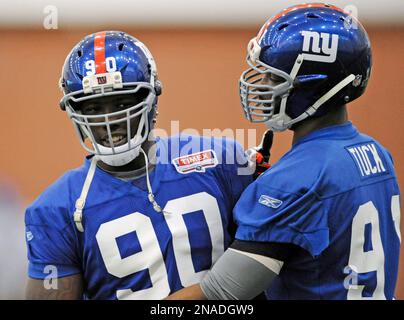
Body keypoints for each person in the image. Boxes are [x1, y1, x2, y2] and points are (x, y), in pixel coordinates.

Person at [167, 3, 401, 300]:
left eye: (275, 78)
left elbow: (222, 292)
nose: (263, 85)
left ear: (315, 87)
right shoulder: (379, 154)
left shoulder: (294, 179)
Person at [24, 31, 254, 300]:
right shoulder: (55, 209)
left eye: (122, 103)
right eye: (94, 108)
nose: (110, 120)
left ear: (151, 100)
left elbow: (267, 260)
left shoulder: (220, 159)